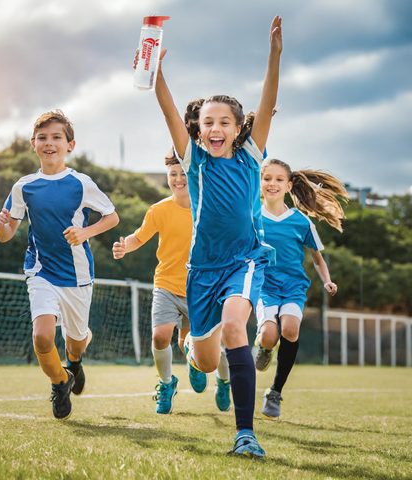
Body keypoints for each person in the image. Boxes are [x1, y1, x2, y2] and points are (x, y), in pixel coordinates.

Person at [134, 15, 283, 458]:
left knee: (237, 327)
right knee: (204, 357)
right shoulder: (193, 161)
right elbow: (166, 109)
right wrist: (156, 71)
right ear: (198, 130)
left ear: (239, 129)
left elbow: (268, 98)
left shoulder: (252, 155)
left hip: (244, 260)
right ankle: (196, 359)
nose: (214, 128)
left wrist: (274, 55)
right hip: (200, 270)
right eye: (207, 122)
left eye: (224, 122)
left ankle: (245, 433)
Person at [0, 110, 119, 420]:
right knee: (42, 336)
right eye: (42, 138)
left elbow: (112, 217)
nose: (49, 143)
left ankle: (74, 362)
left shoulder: (81, 183)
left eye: (56, 137)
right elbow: (5, 234)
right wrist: (3, 225)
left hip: (77, 277)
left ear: (70, 145)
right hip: (41, 273)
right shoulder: (24, 186)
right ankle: (60, 382)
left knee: (76, 343)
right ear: (33, 144)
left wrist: (85, 232)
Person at [112, 149, 231, 414]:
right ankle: (166, 384)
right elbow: (139, 237)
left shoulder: (209, 208)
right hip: (166, 283)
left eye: (184, 173)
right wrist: (124, 247)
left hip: (203, 290)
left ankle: (224, 382)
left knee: (206, 347)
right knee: (160, 335)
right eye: (172, 174)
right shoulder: (159, 210)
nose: (178, 179)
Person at [255, 159, 348, 420]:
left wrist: (327, 281)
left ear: (289, 185)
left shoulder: (302, 222)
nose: (272, 184)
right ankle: (263, 345)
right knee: (270, 336)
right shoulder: (252, 216)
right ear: (260, 183)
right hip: (264, 287)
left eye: (279, 180)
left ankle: (274, 392)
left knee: (290, 329)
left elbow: (317, 259)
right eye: (267, 178)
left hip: (294, 287)